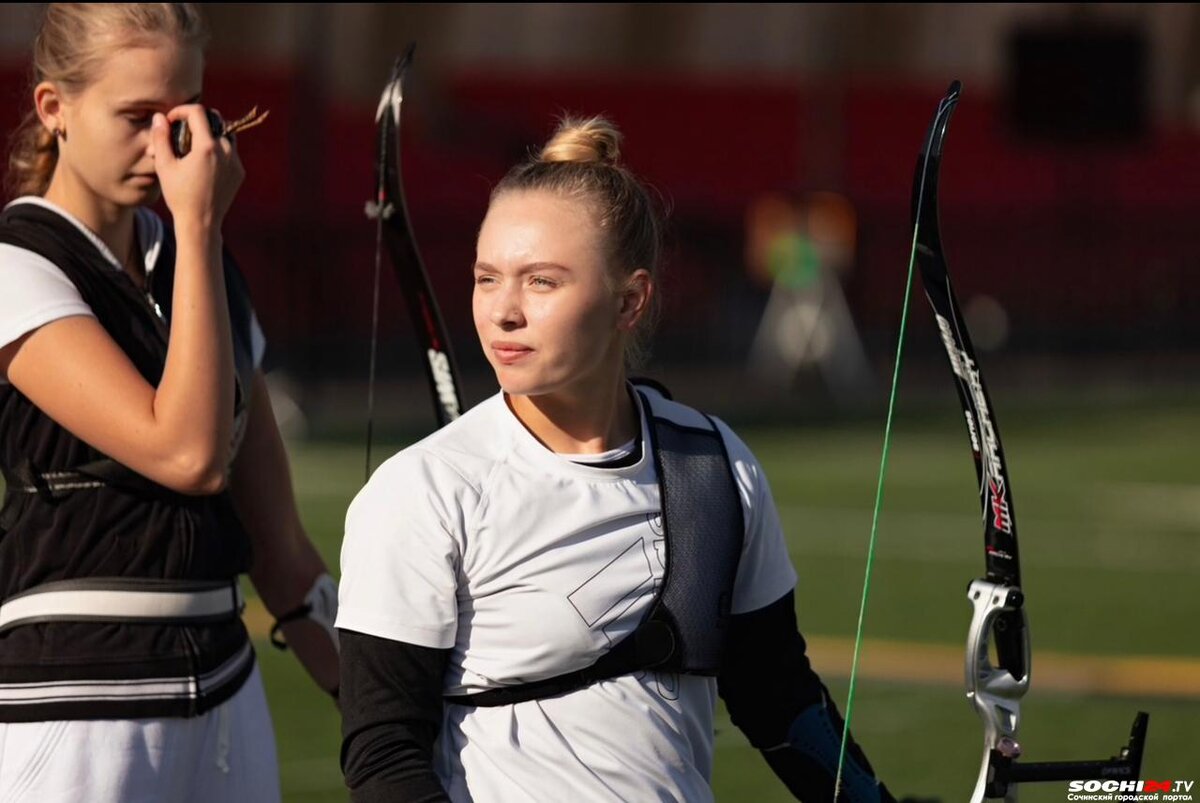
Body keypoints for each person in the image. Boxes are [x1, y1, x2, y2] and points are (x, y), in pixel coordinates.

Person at [337, 116, 906, 802]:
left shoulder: (714, 466)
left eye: (541, 281)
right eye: (488, 278)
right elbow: (384, 757)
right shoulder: (422, 490)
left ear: (629, 300)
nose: (503, 311)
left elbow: (779, 700)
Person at [0, 4, 338, 801]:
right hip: (80, 709)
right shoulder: (18, 269)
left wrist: (385, 717)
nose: (164, 144)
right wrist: (198, 226)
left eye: (180, 112)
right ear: (55, 109)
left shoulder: (196, 255)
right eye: (135, 116)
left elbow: (280, 548)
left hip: (227, 695)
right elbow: (187, 455)